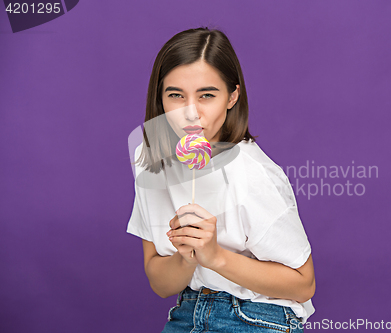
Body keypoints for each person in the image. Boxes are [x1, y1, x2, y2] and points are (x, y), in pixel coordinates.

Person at [127, 27, 315, 333]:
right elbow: (160, 284)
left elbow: (304, 284)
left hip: (260, 316)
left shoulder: (252, 173)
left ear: (232, 96)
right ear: (160, 99)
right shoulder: (148, 161)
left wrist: (215, 256)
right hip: (187, 310)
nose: (191, 113)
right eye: (175, 95)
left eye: (207, 95)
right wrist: (185, 259)